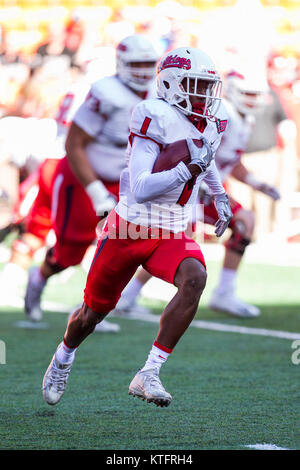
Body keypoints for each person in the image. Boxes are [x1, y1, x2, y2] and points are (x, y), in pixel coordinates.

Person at [41, 46, 232, 408]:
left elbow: (204, 156)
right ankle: (64, 355)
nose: (204, 94)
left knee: (195, 278)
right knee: (91, 314)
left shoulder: (212, 115)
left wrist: (219, 193)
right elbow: (142, 187)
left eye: (208, 86)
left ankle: (149, 372)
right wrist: (185, 170)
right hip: (131, 228)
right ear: (173, 85)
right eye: (195, 85)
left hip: (172, 230)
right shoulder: (153, 114)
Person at [23, 35, 159, 333]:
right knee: (69, 255)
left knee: (121, 247)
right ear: (122, 64)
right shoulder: (105, 92)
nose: (143, 71)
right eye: (136, 64)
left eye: (148, 64)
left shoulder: (157, 93)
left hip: (123, 181)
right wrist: (95, 190)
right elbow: (74, 145)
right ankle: (38, 278)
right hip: (82, 177)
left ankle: (93, 311)